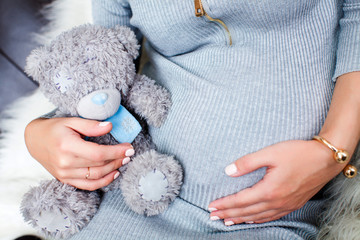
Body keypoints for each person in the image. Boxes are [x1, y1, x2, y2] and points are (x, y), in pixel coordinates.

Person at [24, 0, 360, 239]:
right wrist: (37, 133)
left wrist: (334, 149)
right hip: (133, 200)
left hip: (267, 221)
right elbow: (100, 73)